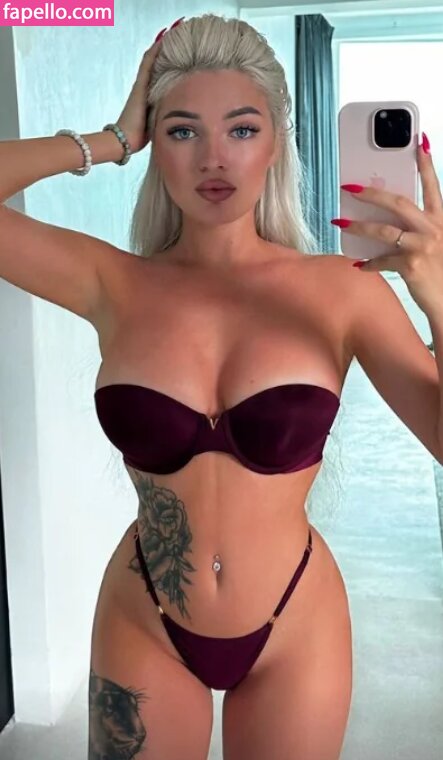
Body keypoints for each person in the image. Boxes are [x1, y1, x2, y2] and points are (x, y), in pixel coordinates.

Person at [1, 14, 355, 760]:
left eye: (242, 129)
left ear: (276, 143)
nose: (213, 158)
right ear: (154, 146)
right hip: (145, 617)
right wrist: (108, 140)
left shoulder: (338, 290)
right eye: (182, 131)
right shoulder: (114, 283)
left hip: (295, 620)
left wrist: (435, 291)